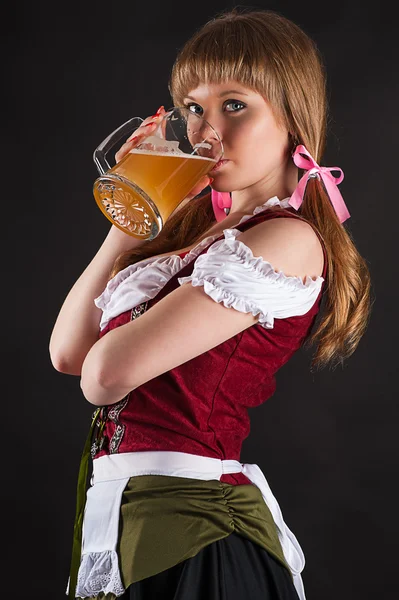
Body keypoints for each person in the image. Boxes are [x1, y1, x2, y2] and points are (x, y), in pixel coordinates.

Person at [49, 7, 372, 600]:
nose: (206, 131)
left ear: (292, 116)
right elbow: (70, 352)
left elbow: (104, 377)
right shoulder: (201, 236)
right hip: (134, 519)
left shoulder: (286, 239)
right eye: (195, 108)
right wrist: (132, 218)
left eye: (235, 105)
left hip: (198, 534)